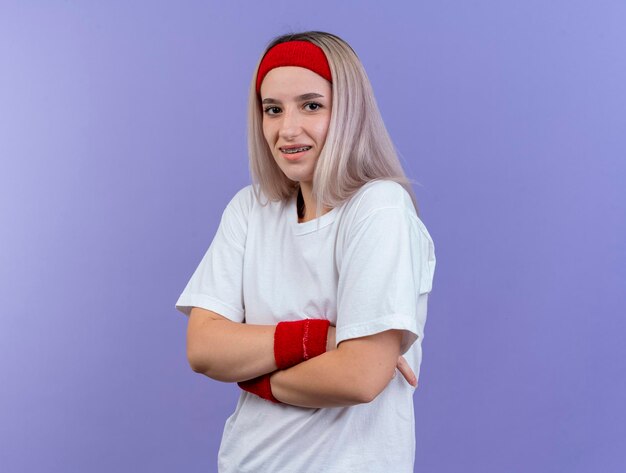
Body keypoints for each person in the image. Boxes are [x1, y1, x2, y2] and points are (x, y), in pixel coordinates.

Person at [175, 31, 436, 473]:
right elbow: (203, 347)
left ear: (348, 112)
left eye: (311, 105)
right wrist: (325, 338)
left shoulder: (379, 208)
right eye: (272, 109)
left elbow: (358, 377)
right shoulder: (250, 208)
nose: (287, 128)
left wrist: (252, 375)